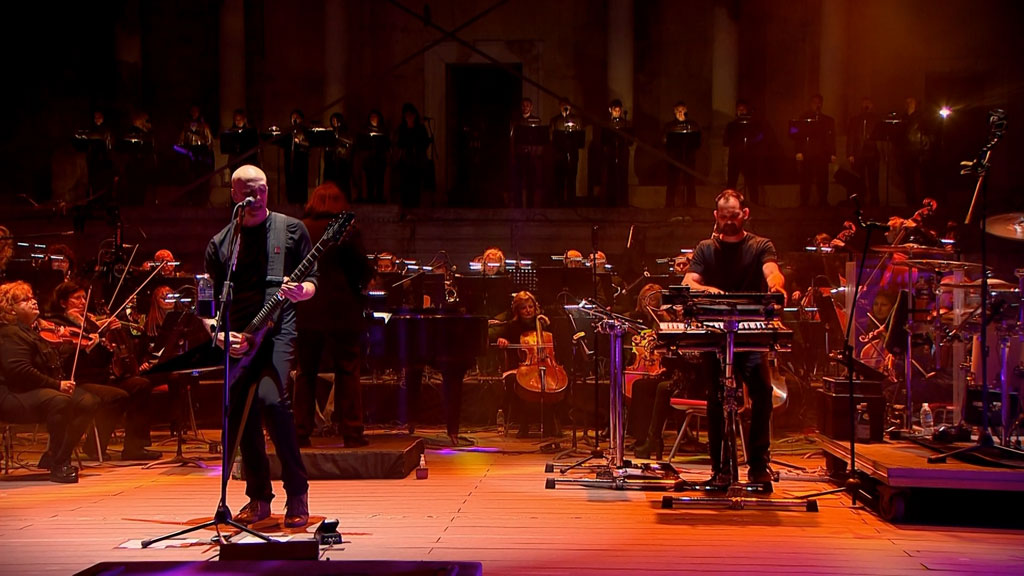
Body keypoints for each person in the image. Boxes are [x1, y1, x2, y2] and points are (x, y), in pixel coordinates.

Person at [205, 165, 315, 528]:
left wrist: (301, 291)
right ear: (235, 195)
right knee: (241, 411)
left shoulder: (290, 229)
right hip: (239, 337)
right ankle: (258, 497)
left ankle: (297, 492)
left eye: (263, 189)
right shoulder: (221, 244)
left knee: (271, 400)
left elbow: (313, 280)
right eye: (250, 191)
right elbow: (208, 305)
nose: (258, 197)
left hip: (278, 330)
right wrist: (220, 334)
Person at [682, 189, 786, 487]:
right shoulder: (706, 248)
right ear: (716, 216)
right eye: (724, 216)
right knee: (716, 398)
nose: (729, 221)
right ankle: (721, 469)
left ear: (745, 214)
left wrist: (776, 286)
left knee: (762, 393)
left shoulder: (760, 245)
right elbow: (688, 282)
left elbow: (772, 272)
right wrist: (708, 290)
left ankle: (758, 465)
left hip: (750, 331)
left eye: (734, 215)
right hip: (716, 333)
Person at [0, 281, 105, 482]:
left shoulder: (31, 330)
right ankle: (60, 464)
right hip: (13, 395)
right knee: (59, 400)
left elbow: (49, 361)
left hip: (34, 390)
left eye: (32, 297)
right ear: (10, 309)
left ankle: (55, 455)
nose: (33, 302)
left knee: (88, 402)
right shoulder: (10, 333)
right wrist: (57, 385)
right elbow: (19, 371)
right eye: (25, 300)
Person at [294, 182, 373, 448]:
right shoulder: (347, 228)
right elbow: (360, 267)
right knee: (348, 370)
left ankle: (300, 431)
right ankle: (352, 431)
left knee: (306, 371)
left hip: (308, 306)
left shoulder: (300, 228)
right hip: (342, 309)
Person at [49, 281, 158, 461]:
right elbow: (63, 358)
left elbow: (105, 357)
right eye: (77, 298)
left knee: (141, 385)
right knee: (117, 396)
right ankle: (94, 446)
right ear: (62, 302)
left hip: (101, 376)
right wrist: (88, 344)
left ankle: (135, 447)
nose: (83, 302)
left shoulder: (91, 323)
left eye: (84, 298)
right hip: (78, 380)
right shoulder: (58, 324)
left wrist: (110, 339)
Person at [491, 291, 565, 438]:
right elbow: (500, 337)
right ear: (517, 310)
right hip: (521, 366)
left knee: (556, 382)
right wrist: (503, 341)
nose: (528, 310)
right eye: (524, 308)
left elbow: (556, 344)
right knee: (516, 382)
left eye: (530, 307)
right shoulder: (512, 326)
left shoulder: (544, 323)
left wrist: (548, 326)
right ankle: (523, 424)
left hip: (546, 363)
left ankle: (551, 421)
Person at [794, 94, 837, 207]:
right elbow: (798, 136)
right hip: (807, 153)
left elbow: (831, 137)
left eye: (819, 103)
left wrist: (832, 153)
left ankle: (823, 201)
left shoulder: (827, 120)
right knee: (806, 179)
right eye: (814, 102)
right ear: (810, 104)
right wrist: (799, 151)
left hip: (822, 153)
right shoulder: (804, 118)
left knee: (822, 178)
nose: (817, 105)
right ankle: (804, 201)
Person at [723, 100, 764, 205]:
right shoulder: (731, 125)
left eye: (743, 109)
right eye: (739, 109)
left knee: (751, 182)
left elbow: (760, 137)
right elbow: (726, 141)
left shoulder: (753, 125)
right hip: (735, 157)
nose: (741, 111)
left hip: (749, 157)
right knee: (731, 182)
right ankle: (729, 203)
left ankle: (754, 203)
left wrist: (751, 142)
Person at [392, 103, 432, 209]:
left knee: (416, 186)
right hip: (405, 161)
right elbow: (399, 143)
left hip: (417, 161)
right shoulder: (402, 128)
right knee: (404, 186)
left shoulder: (421, 128)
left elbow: (424, 143)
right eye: (407, 115)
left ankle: (415, 207)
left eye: (411, 114)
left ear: (415, 115)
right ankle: (405, 207)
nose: (409, 117)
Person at [664, 101, 702, 208]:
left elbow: (698, 142)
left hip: (689, 157)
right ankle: (670, 204)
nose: (680, 113)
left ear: (686, 111)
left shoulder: (693, 125)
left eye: (682, 110)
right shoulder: (669, 126)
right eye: (678, 111)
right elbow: (664, 141)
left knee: (690, 181)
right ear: (674, 112)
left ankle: (691, 203)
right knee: (672, 181)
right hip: (674, 158)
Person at [510, 97, 545, 208]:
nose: (525, 107)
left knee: (531, 182)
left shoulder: (536, 121)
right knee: (518, 181)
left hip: (532, 155)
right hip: (519, 155)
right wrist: (513, 154)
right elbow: (512, 139)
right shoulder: (515, 121)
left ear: (531, 107)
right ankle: (518, 206)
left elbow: (540, 139)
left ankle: (530, 206)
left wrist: (538, 153)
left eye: (527, 105)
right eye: (523, 105)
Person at [177, 105, 214, 206]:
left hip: (201, 157)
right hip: (189, 156)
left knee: (201, 179)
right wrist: (186, 151)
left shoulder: (204, 126)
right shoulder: (186, 126)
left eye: (196, 111)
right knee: (190, 178)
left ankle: (201, 200)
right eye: (192, 111)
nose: (194, 113)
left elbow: (209, 142)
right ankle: (190, 200)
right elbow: (180, 142)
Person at [847, 97, 882, 207]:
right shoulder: (855, 120)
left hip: (872, 152)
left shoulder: (877, 119)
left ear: (872, 105)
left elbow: (880, 137)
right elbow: (851, 137)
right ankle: (860, 199)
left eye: (868, 103)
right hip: (859, 153)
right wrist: (850, 153)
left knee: (873, 179)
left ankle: (874, 200)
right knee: (859, 178)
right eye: (864, 103)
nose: (866, 105)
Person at [897, 97, 931, 206]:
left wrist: (924, 149)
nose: (909, 104)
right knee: (908, 178)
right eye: (907, 102)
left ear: (915, 104)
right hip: (906, 151)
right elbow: (900, 134)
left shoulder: (921, 117)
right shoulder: (903, 117)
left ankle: (922, 201)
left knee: (920, 179)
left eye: (911, 102)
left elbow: (927, 133)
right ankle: (910, 201)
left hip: (918, 151)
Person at [599, 99, 633, 207]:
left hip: (622, 153)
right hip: (610, 153)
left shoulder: (626, 123)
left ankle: (623, 200)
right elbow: (603, 140)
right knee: (610, 176)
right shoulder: (606, 124)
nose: (617, 112)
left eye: (619, 110)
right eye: (615, 110)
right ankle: (610, 201)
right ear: (610, 110)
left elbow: (630, 141)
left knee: (623, 176)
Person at [550, 98, 584, 206]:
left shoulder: (576, 119)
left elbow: (580, 136)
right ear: (560, 106)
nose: (565, 107)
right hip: (559, 154)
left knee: (572, 177)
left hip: (572, 153)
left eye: (567, 105)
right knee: (559, 178)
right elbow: (551, 137)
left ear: (570, 106)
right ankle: (559, 201)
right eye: (563, 105)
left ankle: (571, 201)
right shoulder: (555, 120)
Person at [357, 110, 390, 204]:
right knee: (369, 181)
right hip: (369, 160)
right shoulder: (365, 130)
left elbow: (388, 145)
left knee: (380, 180)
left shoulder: (383, 130)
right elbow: (360, 144)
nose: (373, 119)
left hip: (380, 159)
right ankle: (369, 198)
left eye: (375, 117)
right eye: (371, 117)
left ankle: (379, 198)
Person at [323, 112, 353, 198]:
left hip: (342, 159)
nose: (335, 122)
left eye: (337, 120)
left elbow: (350, 142)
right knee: (329, 179)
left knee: (342, 180)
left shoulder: (346, 131)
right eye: (333, 120)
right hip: (330, 159)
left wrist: (339, 139)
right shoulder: (329, 131)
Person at [284, 109, 311, 205]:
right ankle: (291, 202)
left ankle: (301, 203)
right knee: (290, 182)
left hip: (301, 159)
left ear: (301, 119)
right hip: (290, 159)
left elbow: (309, 144)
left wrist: (299, 142)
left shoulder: (305, 131)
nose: (294, 120)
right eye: (293, 118)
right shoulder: (288, 131)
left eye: (297, 118)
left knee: (301, 182)